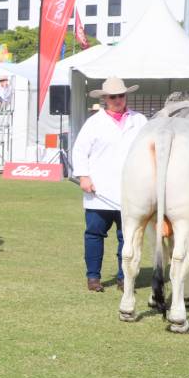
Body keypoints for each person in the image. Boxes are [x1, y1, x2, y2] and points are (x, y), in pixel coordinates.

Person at [71, 77, 147, 292]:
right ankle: (93, 277)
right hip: (99, 191)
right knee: (94, 235)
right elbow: (79, 151)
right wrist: (83, 176)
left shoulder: (140, 120)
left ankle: (124, 278)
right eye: (112, 96)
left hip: (131, 191)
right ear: (104, 98)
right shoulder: (94, 122)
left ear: (126, 96)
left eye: (121, 95)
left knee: (127, 237)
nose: (117, 100)